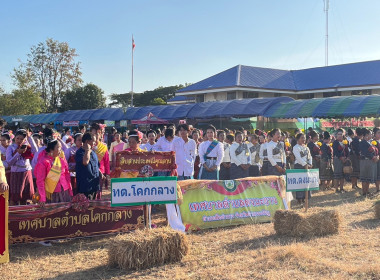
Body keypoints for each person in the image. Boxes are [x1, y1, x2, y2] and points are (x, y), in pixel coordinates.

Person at [35, 138, 72, 205]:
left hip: (64, 191)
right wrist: (42, 198)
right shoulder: (43, 162)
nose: (61, 150)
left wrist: (70, 191)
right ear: (51, 150)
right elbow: (40, 181)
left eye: (61, 148)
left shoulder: (61, 160)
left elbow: (67, 175)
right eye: (58, 148)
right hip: (51, 193)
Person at [6, 129, 38, 205]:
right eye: (17, 138)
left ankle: (26, 212)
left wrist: (30, 137)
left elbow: (36, 150)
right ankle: (16, 214)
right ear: (14, 138)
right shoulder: (11, 148)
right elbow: (9, 162)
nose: (19, 140)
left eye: (22, 139)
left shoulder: (27, 147)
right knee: (16, 196)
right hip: (16, 173)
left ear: (25, 139)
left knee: (27, 196)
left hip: (26, 172)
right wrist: (18, 153)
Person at [75, 133, 101, 200]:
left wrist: (101, 174)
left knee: (94, 207)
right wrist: (87, 150)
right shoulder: (79, 153)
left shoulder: (93, 153)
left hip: (94, 185)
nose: (95, 143)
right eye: (93, 141)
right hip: (85, 187)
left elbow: (96, 166)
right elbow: (85, 162)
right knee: (86, 208)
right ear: (87, 141)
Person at [90, 123, 110, 198]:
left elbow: (106, 162)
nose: (96, 135)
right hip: (90, 172)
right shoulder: (87, 146)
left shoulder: (104, 147)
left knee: (99, 192)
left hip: (101, 173)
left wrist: (107, 174)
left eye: (98, 133)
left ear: (101, 134)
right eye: (94, 134)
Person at [293, 133, 313, 203]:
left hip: (307, 166)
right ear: (298, 139)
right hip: (299, 166)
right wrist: (305, 165)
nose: (304, 139)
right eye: (302, 138)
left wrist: (310, 164)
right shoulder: (295, 147)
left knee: (306, 182)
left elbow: (310, 156)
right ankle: (299, 199)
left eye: (304, 138)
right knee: (300, 183)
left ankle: (306, 198)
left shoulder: (306, 147)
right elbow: (298, 158)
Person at [359, 128, 379, 197]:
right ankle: (364, 192)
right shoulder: (362, 142)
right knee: (364, 177)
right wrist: (372, 157)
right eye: (371, 134)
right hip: (365, 161)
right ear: (367, 135)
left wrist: (375, 156)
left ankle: (367, 191)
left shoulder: (369, 142)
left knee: (367, 177)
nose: (372, 135)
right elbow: (365, 152)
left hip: (369, 161)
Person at [332, 129, 349, 193]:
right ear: (336, 135)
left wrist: (346, 158)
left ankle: (342, 188)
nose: (339, 136)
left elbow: (347, 151)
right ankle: (336, 189)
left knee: (342, 175)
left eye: (341, 134)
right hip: (337, 160)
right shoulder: (335, 142)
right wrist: (341, 157)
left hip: (344, 159)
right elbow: (335, 152)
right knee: (337, 175)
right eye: (338, 134)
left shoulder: (345, 142)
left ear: (343, 135)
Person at [373, 127, 380, 194]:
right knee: (377, 174)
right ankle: (378, 189)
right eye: (378, 133)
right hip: (377, 160)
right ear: (374, 134)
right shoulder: (373, 142)